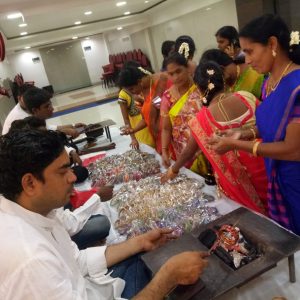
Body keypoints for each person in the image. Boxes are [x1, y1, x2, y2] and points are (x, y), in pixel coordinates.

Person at [0, 129, 208, 299]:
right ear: (30, 183)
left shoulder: (40, 211)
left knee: (143, 257)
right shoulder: (29, 260)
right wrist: (167, 279)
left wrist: (139, 242)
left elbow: (77, 261)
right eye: (63, 171)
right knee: (164, 275)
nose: (73, 177)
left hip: (87, 290)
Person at [208, 14, 300, 234]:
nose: (246, 60)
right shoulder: (269, 83)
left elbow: (294, 149)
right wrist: (243, 132)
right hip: (278, 176)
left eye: (250, 51)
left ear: (272, 44)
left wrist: (236, 145)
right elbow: (274, 125)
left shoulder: (297, 87)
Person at [162, 61, 268, 215]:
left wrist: (173, 170)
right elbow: (270, 126)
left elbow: (188, 153)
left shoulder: (200, 120)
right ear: (222, 79)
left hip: (239, 188)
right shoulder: (246, 97)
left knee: (259, 224)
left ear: (199, 89)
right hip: (267, 167)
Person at [9, 117, 113, 249]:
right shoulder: (31, 249)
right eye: (62, 172)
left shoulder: (33, 200)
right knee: (101, 223)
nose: (72, 178)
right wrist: (96, 197)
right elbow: (69, 226)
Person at [160, 52, 212, 181]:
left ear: (188, 69)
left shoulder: (201, 88)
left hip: (208, 149)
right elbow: (166, 128)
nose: (176, 77)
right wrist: (165, 150)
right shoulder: (167, 97)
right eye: (171, 74)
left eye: (179, 71)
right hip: (183, 155)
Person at [118, 65, 169, 152]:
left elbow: (162, 109)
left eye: (132, 89)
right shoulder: (142, 91)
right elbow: (146, 119)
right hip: (157, 138)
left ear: (139, 81)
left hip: (167, 136)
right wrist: (133, 130)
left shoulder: (159, 83)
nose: (132, 93)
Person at [118, 61, 155, 150]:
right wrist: (133, 137)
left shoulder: (144, 88)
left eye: (132, 89)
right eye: (129, 90)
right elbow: (127, 119)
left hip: (152, 127)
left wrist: (142, 100)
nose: (131, 92)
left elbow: (151, 106)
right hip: (141, 130)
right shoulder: (124, 94)